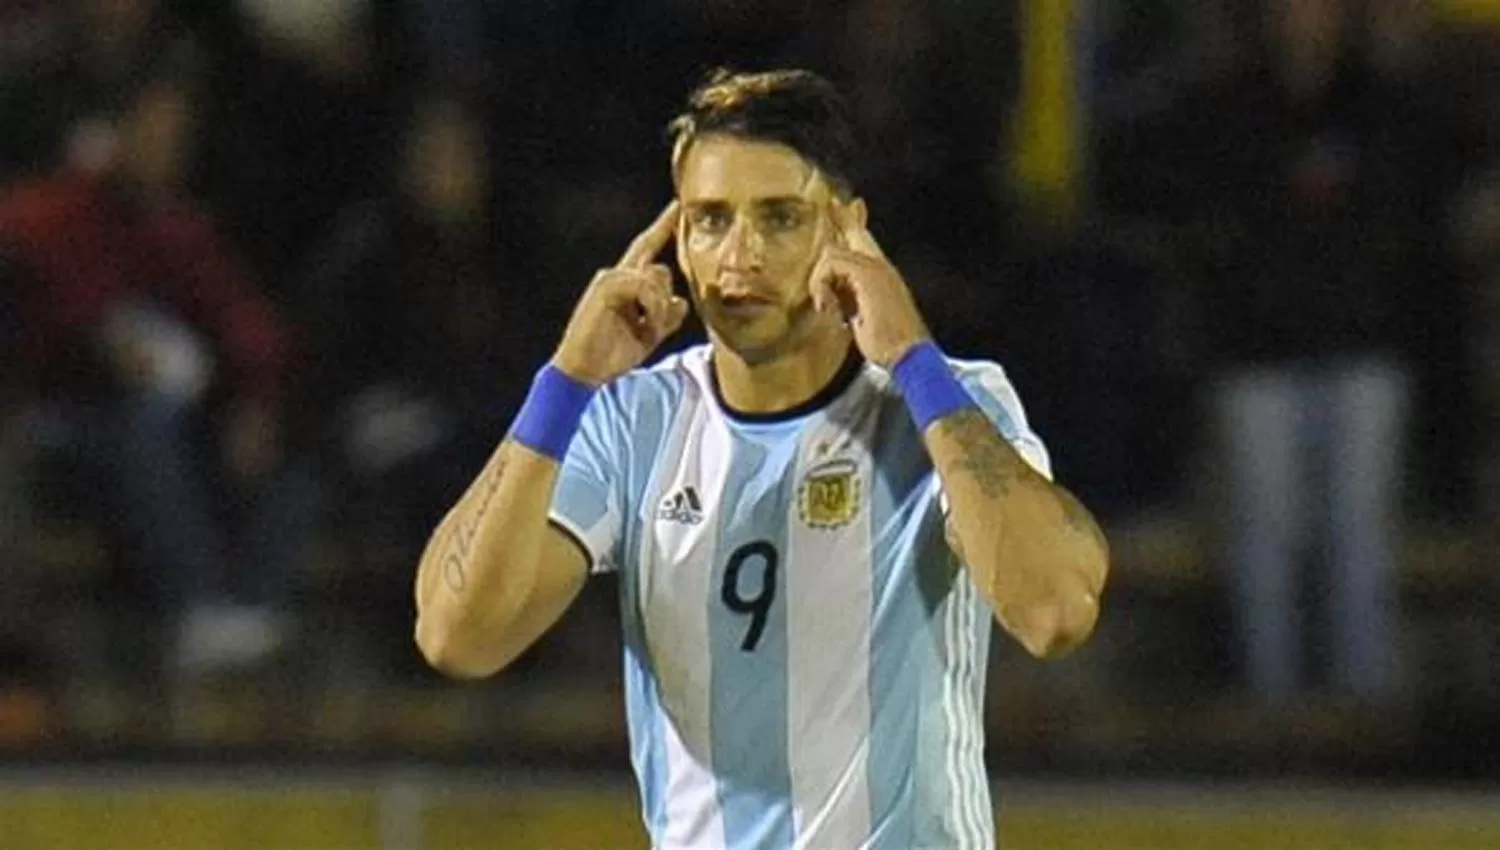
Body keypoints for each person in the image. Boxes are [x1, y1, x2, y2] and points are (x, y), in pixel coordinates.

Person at [414, 68, 1109, 849]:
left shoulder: (944, 408)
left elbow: (1056, 611)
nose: (739, 255)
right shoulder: (632, 422)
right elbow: (458, 635)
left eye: (779, 219)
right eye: (711, 220)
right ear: (676, 239)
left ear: (847, 229)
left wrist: (914, 357)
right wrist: (565, 384)